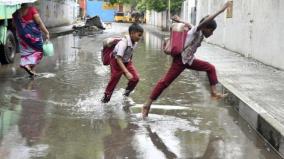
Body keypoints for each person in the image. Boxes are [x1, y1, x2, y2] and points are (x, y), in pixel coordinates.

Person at [142, 2, 232, 118]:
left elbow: (189, 23)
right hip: (180, 61)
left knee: (210, 68)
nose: (212, 33)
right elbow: (203, 22)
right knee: (165, 82)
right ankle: (147, 104)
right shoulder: (196, 30)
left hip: (189, 60)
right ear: (205, 27)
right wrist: (221, 9)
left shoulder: (197, 31)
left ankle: (214, 93)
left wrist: (180, 20)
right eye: (211, 30)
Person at [101, 23, 144, 103]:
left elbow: (130, 53)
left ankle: (126, 94)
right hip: (116, 61)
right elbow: (118, 58)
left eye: (141, 35)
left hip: (126, 61)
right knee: (114, 79)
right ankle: (105, 99)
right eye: (139, 35)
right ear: (132, 33)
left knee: (135, 78)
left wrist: (129, 65)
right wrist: (126, 72)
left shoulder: (135, 42)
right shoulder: (123, 43)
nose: (140, 37)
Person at [13, 3, 49, 77]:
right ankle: (27, 65)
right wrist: (46, 32)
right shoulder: (32, 9)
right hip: (32, 35)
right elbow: (39, 22)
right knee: (39, 51)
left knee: (25, 52)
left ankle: (31, 70)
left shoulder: (15, 13)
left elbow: (14, 24)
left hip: (21, 36)